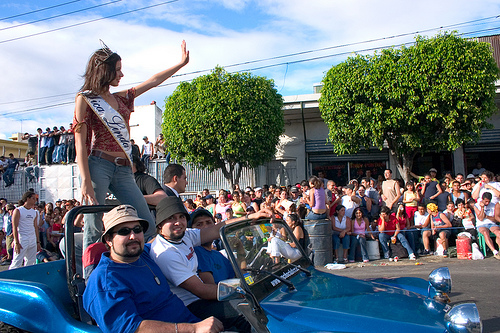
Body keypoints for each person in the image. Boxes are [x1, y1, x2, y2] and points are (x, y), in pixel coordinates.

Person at [74, 41, 189, 250]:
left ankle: (141, 264)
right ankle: (89, 277)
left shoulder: (123, 98)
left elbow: (153, 81)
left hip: (124, 169)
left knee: (145, 222)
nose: (122, 75)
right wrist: (85, 180)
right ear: (104, 71)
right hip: (99, 164)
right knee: (92, 225)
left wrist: (181, 64)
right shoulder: (86, 99)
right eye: (117, 70)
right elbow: (80, 143)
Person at [83, 204, 223, 333]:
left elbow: (162, 240)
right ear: (108, 239)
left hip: (192, 321)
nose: (133, 236)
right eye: (124, 231)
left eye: (138, 230)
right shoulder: (106, 281)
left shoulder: (144, 255)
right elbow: (131, 328)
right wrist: (193, 328)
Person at [150, 196, 271, 332]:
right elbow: (202, 290)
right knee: (247, 312)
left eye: (181, 217)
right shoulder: (166, 253)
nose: (178, 222)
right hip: (191, 305)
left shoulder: (185, 235)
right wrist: (241, 289)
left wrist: (249, 217)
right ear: (160, 224)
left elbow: (217, 229)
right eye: (171, 218)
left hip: (203, 298)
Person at [190, 208, 235, 284]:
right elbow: (211, 289)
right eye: (199, 224)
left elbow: (240, 278)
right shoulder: (196, 253)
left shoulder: (219, 255)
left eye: (208, 222)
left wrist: (240, 251)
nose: (205, 227)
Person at [9, 191, 41, 269]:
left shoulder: (35, 212)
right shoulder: (18, 210)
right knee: (17, 261)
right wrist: (16, 241)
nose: (35, 200)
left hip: (32, 238)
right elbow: (14, 227)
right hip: (22, 238)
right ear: (28, 199)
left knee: (31, 261)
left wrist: (38, 242)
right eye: (33, 198)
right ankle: (11, 278)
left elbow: (35, 227)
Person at [475, 192, 500, 259]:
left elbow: (495, 218)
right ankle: (494, 251)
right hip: (481, 224)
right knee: (485, 233)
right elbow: (480, 218)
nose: (487, 203)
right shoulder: (476, 205)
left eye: (489, 201)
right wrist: (482, 208)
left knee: (498, 232)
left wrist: (487, 216)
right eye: (486, 201)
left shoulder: (493, 205)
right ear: (482, 199)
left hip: (491, 223)